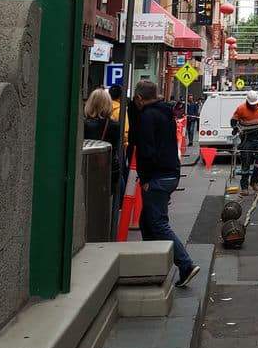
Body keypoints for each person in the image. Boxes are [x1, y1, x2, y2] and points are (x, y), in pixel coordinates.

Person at [131, 79, 200, 288]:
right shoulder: (165, 112)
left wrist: (145, 179)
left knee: (158, 223)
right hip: (170, 172)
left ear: (139, 98)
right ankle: (154, 263)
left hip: (157, 177)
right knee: (147, 222)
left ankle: (185, 264)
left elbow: (147, 151)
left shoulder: (147, 116)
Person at [83, 87, 124, 234]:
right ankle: (102, 231)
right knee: (107, 204)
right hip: (107, 170)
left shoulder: (82, 124)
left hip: (85, 168)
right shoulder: (114, 126)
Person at [231, 91, 258, 190]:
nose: (254, 106)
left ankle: (254, 182)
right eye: (252, 104)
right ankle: (244, 187)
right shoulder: (241, 108)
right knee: (246, 162)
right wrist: (235, 128)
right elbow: (233, 121)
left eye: (255, 104)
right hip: (247, 139)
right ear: (247, 102)